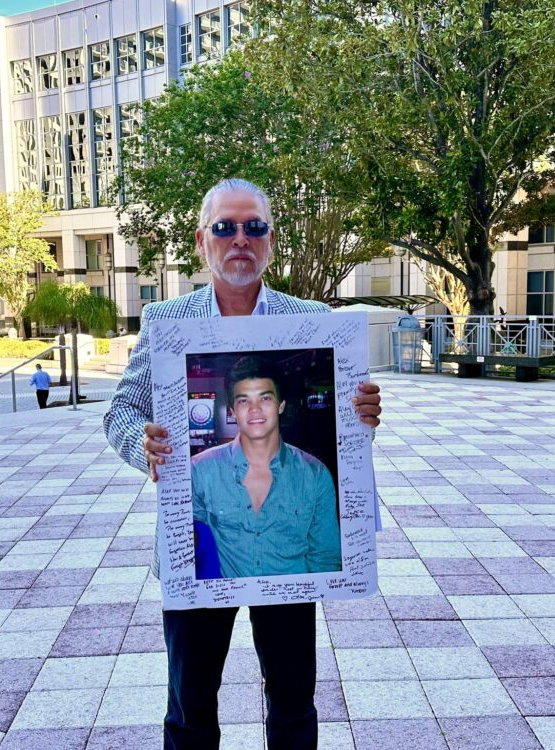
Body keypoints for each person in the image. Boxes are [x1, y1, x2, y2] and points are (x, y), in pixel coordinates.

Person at [104, 178, 381, 750]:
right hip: (200, 547)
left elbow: (345, 434)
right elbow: (122, 411)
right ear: (202, 240)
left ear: (271, 241)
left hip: (285, 553)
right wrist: (145, 445)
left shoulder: (311, 320)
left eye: (253, 227)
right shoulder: (166, 320)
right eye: (225, 228)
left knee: (293, 703)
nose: (239, 240)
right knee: (190, 704)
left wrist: (360, 416)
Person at [190, 356, 340, 578]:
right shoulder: (200, 471)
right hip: (220, 598)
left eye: (265, 399)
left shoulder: (315, 475)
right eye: (243, 401)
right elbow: (189, 549)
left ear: (281, 405)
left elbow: (325, 558)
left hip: (290, 598)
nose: (254, 410)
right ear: (232, 411)